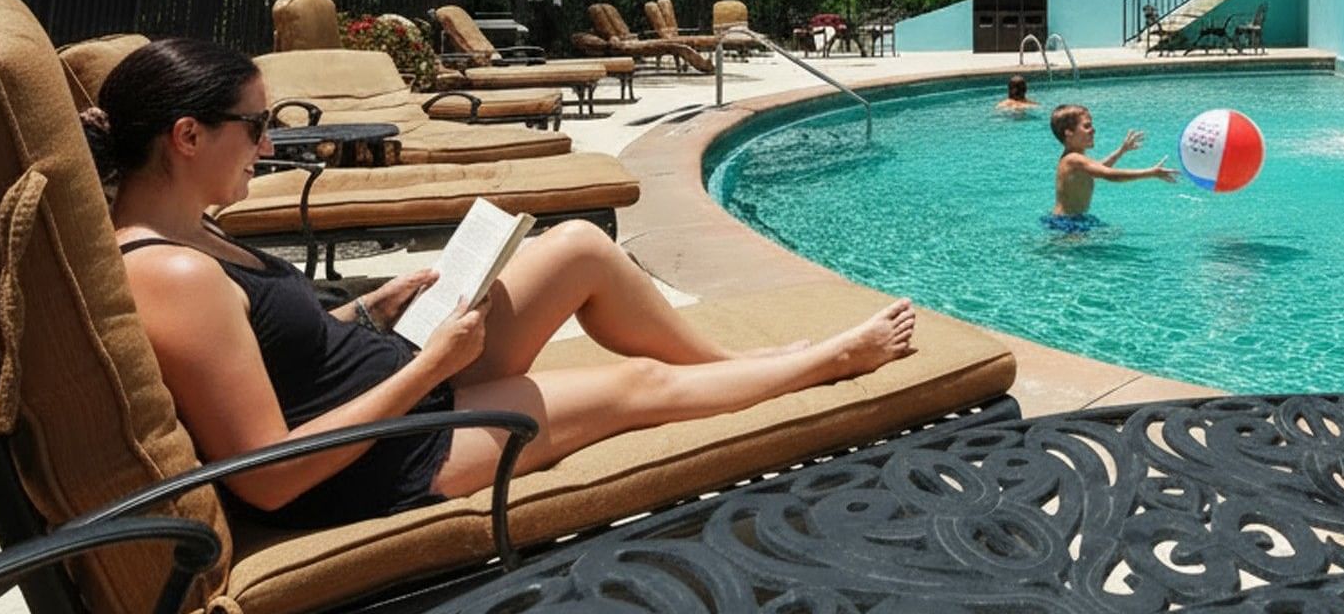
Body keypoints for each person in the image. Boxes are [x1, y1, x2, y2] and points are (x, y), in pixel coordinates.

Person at [88, 38, 916, 530]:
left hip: (399, 384)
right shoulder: (168, 271)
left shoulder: (189, 230)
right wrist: (431, 366)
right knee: (633, 384)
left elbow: (270, 347)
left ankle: (727, 368)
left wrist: (371, 309)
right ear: (188, 134)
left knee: (581, 246)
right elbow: (268, 475)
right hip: (380, 461)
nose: (268, 146)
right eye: (256, 127)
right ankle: (826, 365)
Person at [1044, 103, 1177, 232]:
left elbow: (1097, 170)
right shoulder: (1073, 159)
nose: (1093, 130)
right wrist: (1151, 172)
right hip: (1067, 223)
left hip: (1071, 220)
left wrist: (1121, 150)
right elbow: (1110, 174)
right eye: (1087, 126)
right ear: (1069, 133)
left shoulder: (1075, 159)